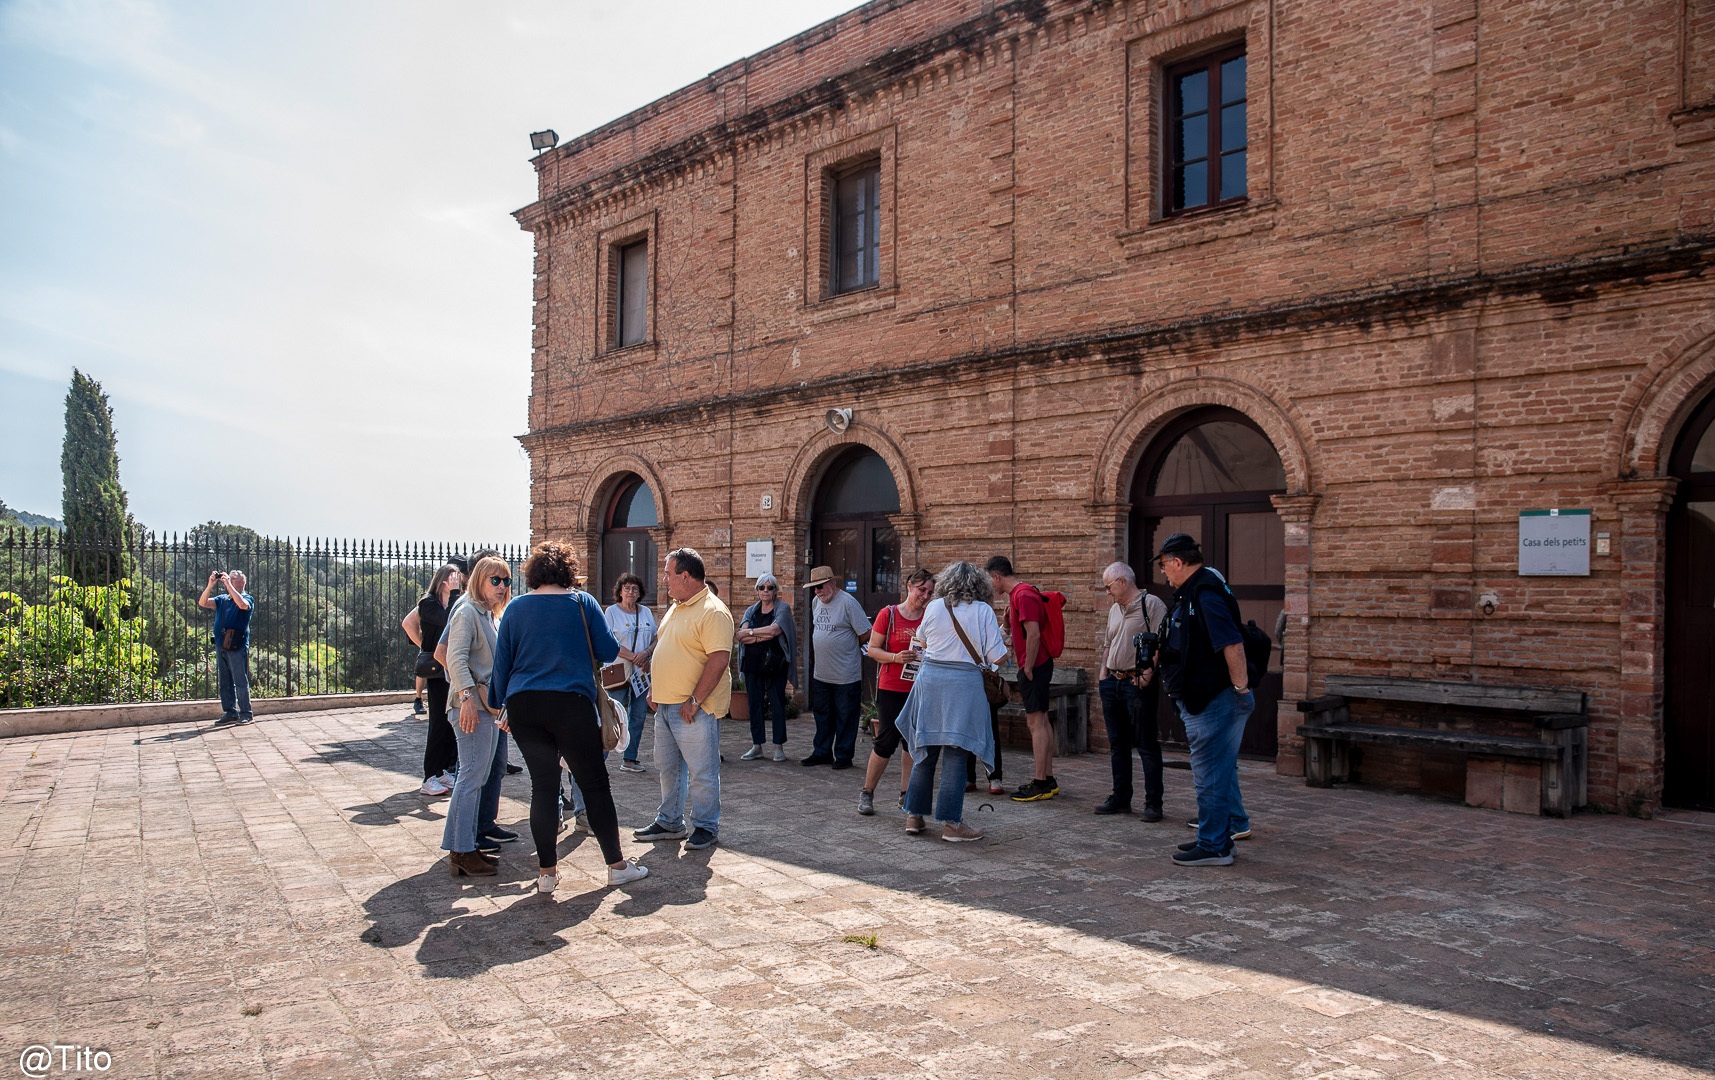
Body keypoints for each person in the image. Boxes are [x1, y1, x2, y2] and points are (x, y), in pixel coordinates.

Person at [491, 542, 649, 892]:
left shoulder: (516, 608)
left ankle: (547, 874)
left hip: (524, 705)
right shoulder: (582, 603)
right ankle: (617, 866)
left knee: (543, 787)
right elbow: (607, 650)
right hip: (570, 703)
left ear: (533, 572)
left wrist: (498, 704)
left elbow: (502, 663)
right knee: (594, 785)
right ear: (568, 570)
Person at [1150, 533, 1256, 867]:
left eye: (1164, 565)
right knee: (1216, 773)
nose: (1163, 572)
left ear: (1178, 562)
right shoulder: (1195, 591)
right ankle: (1218, 838)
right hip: (1205, 699)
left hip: (1213, 700)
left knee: (1209, 775)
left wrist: (1241, 690)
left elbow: (1232, 643)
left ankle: (1213, 846)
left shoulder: (1206, 593)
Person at [894, 561, 1009, 842]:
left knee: (926, 748)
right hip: (963, 686)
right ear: (980, 586)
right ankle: (951, 824)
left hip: (930, 681)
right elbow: (998, 657)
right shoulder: (983, 610)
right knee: (957, 752)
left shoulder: (935, 606)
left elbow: (921, 640)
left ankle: (914, 816)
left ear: (946, 583)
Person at [634, 547, 732, 851]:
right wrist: (656, 687)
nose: (664, 579)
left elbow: (719, 659)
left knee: (702, 771)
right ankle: (670, 822)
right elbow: (668, 648)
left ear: (685, 576)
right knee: (668, 767)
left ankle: (705, 826)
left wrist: (695, 700)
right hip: (666, 705)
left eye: (668, 573)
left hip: (693, 708)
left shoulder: (713, 611)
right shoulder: (677, 607)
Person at [441, 557, 517, 878]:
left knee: (475, 777)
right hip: (471, 707)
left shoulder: (487, 614)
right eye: (494, 580)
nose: (501, 586)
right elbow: (454, 657)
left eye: (505, 581)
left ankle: (463, 845)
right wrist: (467, 698)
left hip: (487, 707)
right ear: (479, 580)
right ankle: (462, 850)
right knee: (471, 778)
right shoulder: (467, 611)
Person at [1095, 561, 1169, 821]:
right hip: (1112, 682)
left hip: (1136, 683)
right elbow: (1108, 642)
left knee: (1146, 744)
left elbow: (1160, 642)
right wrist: (1103, 673)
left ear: (1122, 582)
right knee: (1118, 744)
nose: (1107, 592)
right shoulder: (1115, 608)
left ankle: (1153, 803)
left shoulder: (1152, 605)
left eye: (1109, 586)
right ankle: (1121, 797)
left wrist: (1147, 675)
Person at [858, 568, 930, 815]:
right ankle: (867, 792)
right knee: (886, 741)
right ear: (909, 586)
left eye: (929, 592)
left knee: (912, 742)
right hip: (891, 687)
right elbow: (872, 650)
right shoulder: (888, 614)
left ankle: (906, 795)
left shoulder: (930, 617)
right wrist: (895, 657)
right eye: (921, 590)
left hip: (920, 688)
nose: (925, 596)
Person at [986, 556, 1058, 802]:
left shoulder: (1023, 595)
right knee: (1042, 721)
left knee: (1035, 723)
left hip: (1035, 667)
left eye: (990, 580)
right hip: (1038, 665)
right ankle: (1048, 778)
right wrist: (1008, 624)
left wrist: (1027, 667)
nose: (991, 586)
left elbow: (1034, 634)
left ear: (997, 576)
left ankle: (1040, 782)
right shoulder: (1022, 594)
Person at [800, 565, 871, 769]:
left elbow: (866, 633)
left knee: (846, 716)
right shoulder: (816, 602)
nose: (817, 591)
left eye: (820, 586)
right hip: (821, 674)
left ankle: (843, 755)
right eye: (814, 588)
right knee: (822, 715)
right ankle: (822, 752)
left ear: (832, 583)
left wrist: (847, 649)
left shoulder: (848, 603)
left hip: (845, 675)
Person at [404, 564, 462, 797]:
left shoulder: (450, 602)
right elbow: (451, 620)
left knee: (448, 722)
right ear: (442, 580)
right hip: (438, 671)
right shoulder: (428, 603)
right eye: (452, 577)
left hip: (450, 667)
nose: (457, 580)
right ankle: (429, 776)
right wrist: (426, 648)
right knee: (437, 722)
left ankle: (441, 771)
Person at [735, 573, 796, 762]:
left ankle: (779, 747)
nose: (766, 591)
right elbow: (740, 635)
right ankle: (757, 746)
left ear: (775, 590)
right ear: (757, 591)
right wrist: (759, 635)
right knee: (754, 704)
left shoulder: (782, 608)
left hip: (775, 664)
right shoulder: (751, 610)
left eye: (770, 587)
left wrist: (752, 633)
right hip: (752, 664)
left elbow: (775, 630)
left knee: (777, 704)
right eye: (762, 587)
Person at [604, 573, 657, 774]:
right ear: (620, 591)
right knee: (613, 714)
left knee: (638, 715)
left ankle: (630, 758)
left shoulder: (646, 612)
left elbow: (656, 637)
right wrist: (634, 656)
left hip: (641, 672)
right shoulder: (611, 612)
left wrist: (646, 654)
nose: (631, 592)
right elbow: (609, 641)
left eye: (635, 588)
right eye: (626, 588)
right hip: (618, 671)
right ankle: (601, 757)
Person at [198, 569, 254, 726]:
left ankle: (246, 713)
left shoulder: (247, 598)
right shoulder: (222, 599)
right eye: (230, 577)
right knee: (225, 680)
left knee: (240, 680)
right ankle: (230, 712)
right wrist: (210, 585)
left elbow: (242, 605)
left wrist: (228, 584)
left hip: (237, 645)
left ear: (242, 582)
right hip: (221, 644)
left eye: (234, 578)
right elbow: (202, 602)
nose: (229, 579)